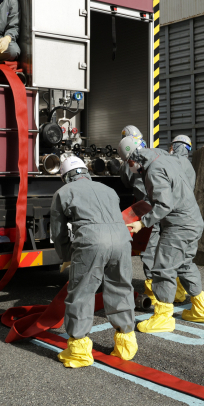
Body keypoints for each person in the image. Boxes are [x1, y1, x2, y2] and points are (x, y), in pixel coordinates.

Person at [50, 156, 137, 368]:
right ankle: (125, 345)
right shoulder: (108, 189)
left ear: (66, 177)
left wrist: (66, 256)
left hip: (92, 241)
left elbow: (59, 232)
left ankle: (79, 351)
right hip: (122, 240)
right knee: (121, 287)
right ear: (85, 172)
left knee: (82, 292)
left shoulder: (63, 193)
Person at [119, 136, 204, 333]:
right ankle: (201, 309)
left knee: (163, 268)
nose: (130, 166)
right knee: (185, 264)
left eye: (128, 162)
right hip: (193, 221)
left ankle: (163, 317)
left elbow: (164, 204)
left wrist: (142, 223)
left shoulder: (153, 170)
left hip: (178, 225)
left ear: (132, 158)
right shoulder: (165, 159)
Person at [119, 126, 187, 306]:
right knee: (167, 251)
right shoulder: (161, 154)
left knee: (150, 249)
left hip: (150, 210)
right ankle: (176, 290)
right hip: (169, 212)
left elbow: (127, 180)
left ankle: (154, 292)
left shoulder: (135, 163)